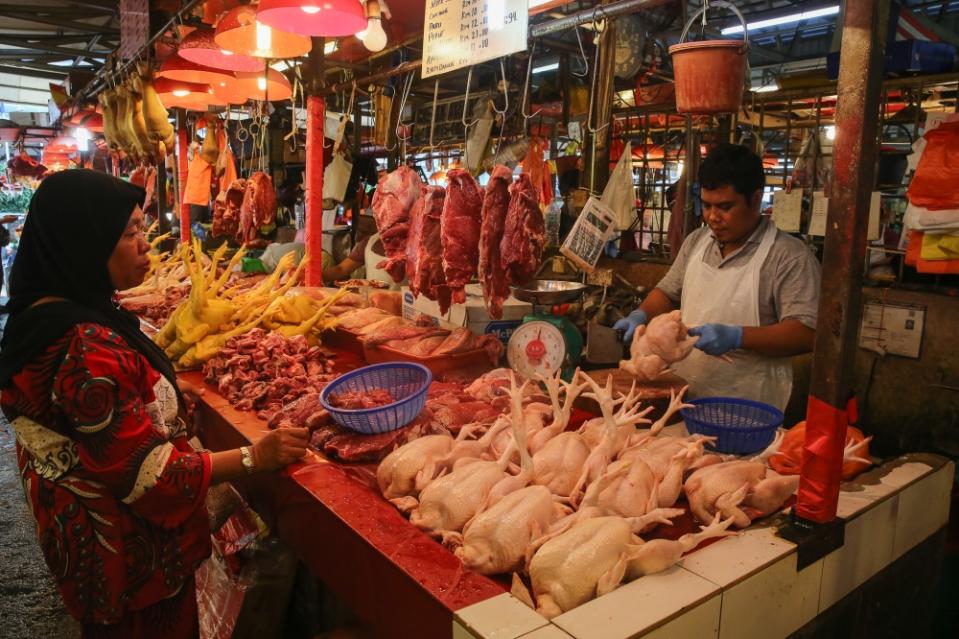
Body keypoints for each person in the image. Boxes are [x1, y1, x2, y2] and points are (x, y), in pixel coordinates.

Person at [0, 170, 309, 638]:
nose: (145, 244)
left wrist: (156, 393)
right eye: (129, 234)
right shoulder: (83, 346)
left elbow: (91, 418)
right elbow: (151, 478)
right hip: (128, 560)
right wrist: (254, 457)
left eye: (143, 229)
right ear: (85, 242)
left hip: (84, 544)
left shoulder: (45, 312)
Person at [615, 144, 821, 410]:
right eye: (707, 205)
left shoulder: (789, 256)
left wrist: (737, 337)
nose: (713, 217)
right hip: (683, 396)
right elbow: (667, 292)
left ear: (756, 199)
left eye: (725, 206)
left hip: (747, 407)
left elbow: (806, 333)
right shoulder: (697, 241)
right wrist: (640, 315)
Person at [259, 235, 370, 282]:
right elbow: (341, 269)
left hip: (320, 258)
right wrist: (309, 277)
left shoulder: (270, 260)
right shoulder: (368, 242)